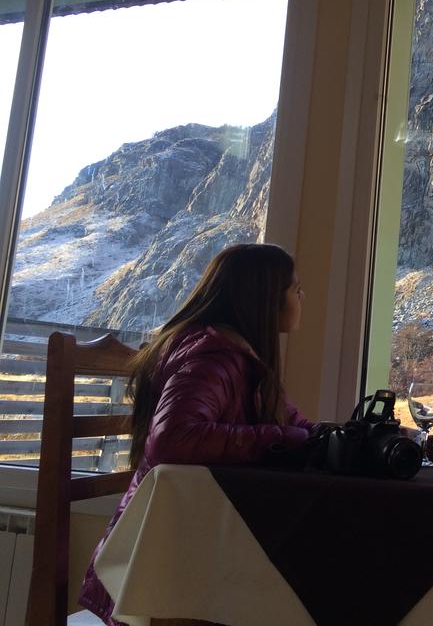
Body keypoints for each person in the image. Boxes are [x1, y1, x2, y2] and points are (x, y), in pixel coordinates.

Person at [80, 243, 316, 626]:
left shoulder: (240, 359)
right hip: (164, 565)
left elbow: (294, 426)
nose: (303, 297)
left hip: (187, 548)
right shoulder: (215, 356)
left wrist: (341, 436)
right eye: (296, 289)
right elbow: (173, 439)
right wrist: (284, 439)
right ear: (266, 299)